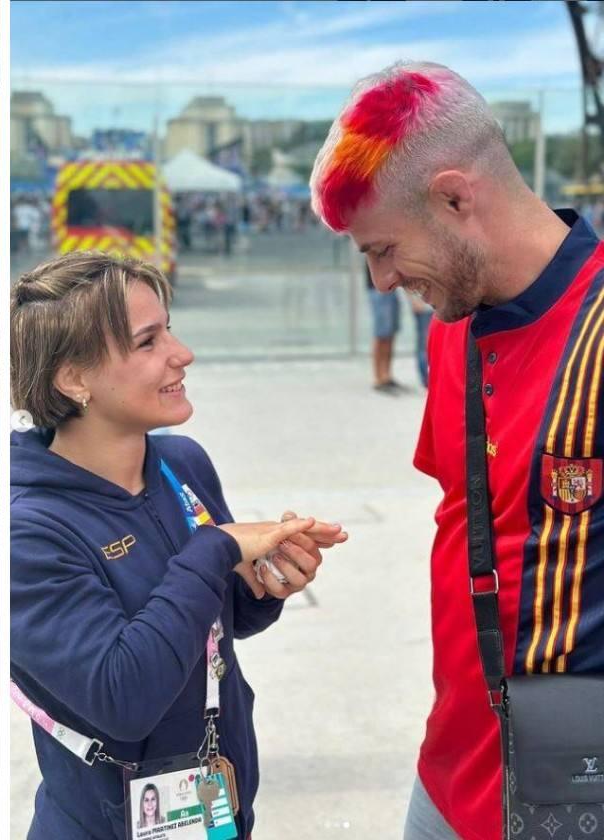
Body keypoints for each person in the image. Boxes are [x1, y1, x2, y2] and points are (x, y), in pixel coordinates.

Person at [309, 61, 604, 840]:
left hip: (577, 786)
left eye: (382, 249)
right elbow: (464, 523)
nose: (379, 282)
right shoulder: (451, 330)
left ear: (452, 196)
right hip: (448, 775)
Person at [10, 251, 347, 839]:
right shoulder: (31, 530)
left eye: (169, 327)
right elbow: (124, 697)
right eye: (147, 342)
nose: (181, 353)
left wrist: (268, 582)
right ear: (73, 378)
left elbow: (220, 625)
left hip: (217, 809)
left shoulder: (180, 465)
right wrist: (215, 549)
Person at [366, 263, 403, 393]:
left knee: (390, 333)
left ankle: (387, 375)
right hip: (378, 290)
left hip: (391, 290)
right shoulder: (373, 246)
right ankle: (378, 378)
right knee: (381, 334)